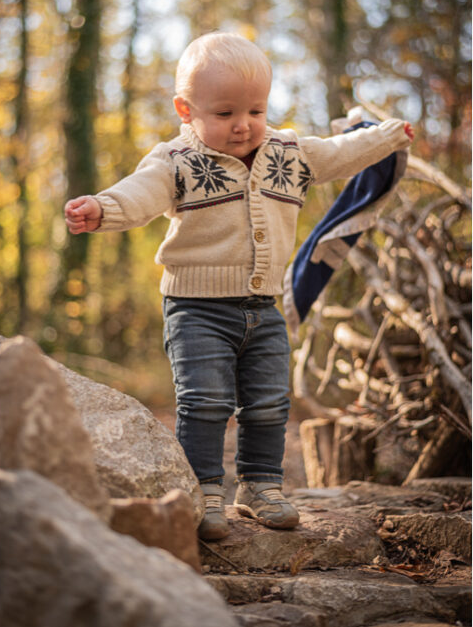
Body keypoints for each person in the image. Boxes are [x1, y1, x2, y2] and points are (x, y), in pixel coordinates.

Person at [64, 32, 413, 540]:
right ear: (187, 110)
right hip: (195, 307)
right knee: (204, 400)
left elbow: (337, 152)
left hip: (263, 307)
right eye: (225, 113)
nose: (243, 124)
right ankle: (203, 493)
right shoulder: (176, 160)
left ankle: (260, 487)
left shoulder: (287, 152)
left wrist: (385, 136)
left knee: (270, 401)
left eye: (255, 110)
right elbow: (140, 192)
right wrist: (102, 209)